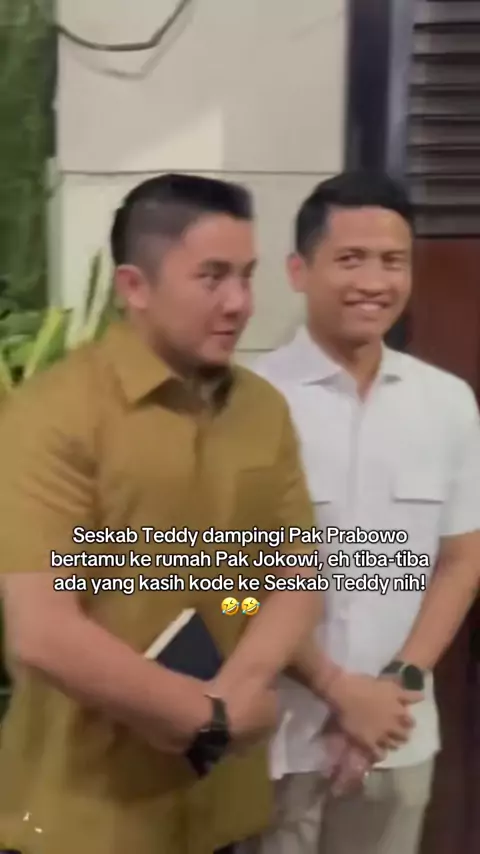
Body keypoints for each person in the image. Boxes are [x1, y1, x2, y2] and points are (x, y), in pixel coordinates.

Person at [0, 173, 325, 854]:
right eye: (212, 277)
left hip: (222, 811)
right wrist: (206, 718)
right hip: (86, 817)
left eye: (247, 276)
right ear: (134, 287)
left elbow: (296, 573)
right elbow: (43, 630)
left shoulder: (262, 410)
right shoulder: (52, 415)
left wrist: (236, 693)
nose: (239, 302)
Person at [246, 171, 480, 854]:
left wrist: (396, 685)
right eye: (350, 259)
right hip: (275, 737)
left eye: (392, 261)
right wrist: (337, 690)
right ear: (299, 270)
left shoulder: (447, 402)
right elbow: (234, 581)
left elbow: (461, 560)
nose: (374, 282)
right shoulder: (249, 402)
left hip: (398, 736)